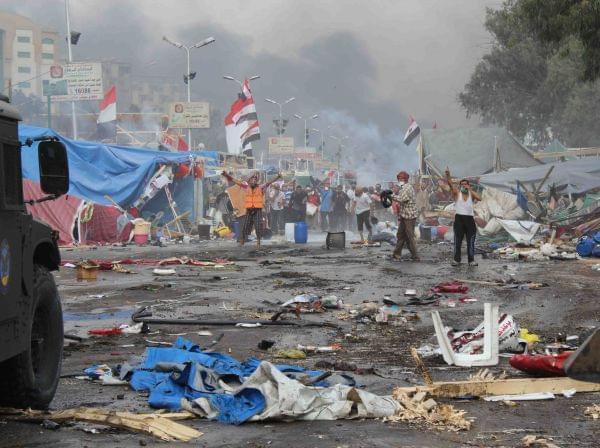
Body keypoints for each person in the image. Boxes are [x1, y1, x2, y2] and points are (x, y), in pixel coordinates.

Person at [221, 171, 281, 248]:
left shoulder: (260, 187)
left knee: (256, 226)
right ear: (249, 181)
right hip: (247, 209)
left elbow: (269, 183)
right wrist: (226, 175)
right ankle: (242, 240)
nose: (254, 181)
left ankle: (256, 242)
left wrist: (277, 177)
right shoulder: (245, 187)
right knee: (244, 225)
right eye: (252, 179)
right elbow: (235, 181)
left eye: (255, 179)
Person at [445, 167, 481, 266]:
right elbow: (450, 185)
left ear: (469, 185)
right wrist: (448, 175)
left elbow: (480, 198)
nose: (464, 186)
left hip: (470, 219)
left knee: (471, 241)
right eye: (462, 185)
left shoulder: (471, 194)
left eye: (466, 184)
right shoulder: (457, 193)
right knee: (458, 241)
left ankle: (471, 260)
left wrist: (470, 190)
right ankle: (457, 260)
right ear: (460, 186)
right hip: (459, 219)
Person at [392, 171, 419, 261]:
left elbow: (403, 199)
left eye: (402, 179)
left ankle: (415, 256)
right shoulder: (403, 187)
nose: (400, 180)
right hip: (404, 215)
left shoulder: (407, 188)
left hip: (409, 216)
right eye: (399, 179)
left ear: (406, 179)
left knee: (410, 236)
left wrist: (391, 196)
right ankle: (396, 254)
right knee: (400, 235)